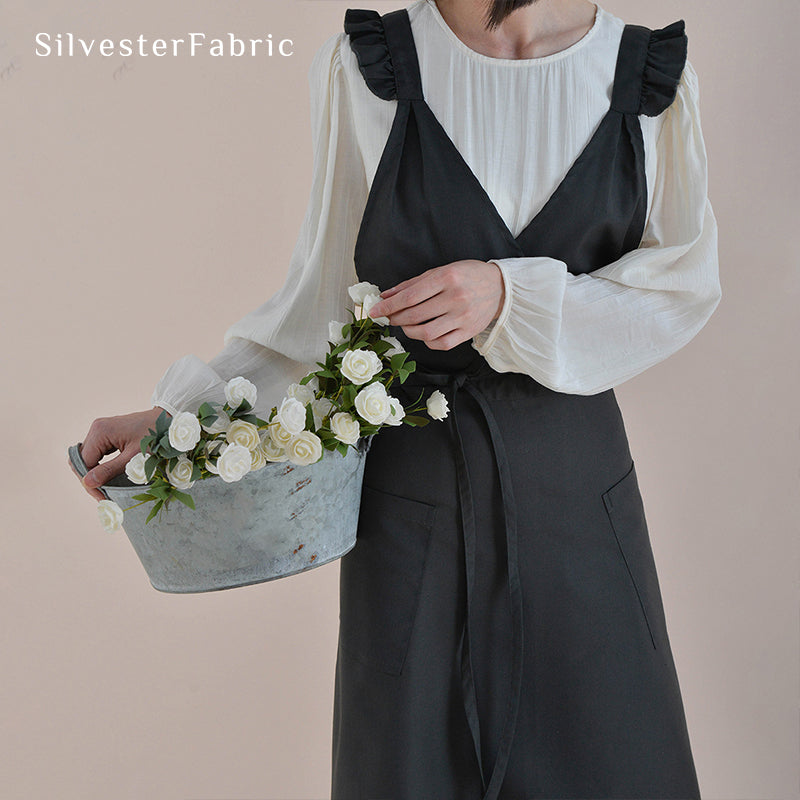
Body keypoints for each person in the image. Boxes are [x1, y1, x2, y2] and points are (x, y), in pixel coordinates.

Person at [73, 0, 721, 796]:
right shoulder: (366, 71)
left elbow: (681, 286)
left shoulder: (648, 78)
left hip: (579, 496)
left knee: (610, 756)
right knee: (410, 766)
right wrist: (185, 423)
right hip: (414, 502)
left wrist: (511, 297)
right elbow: (318, 312)